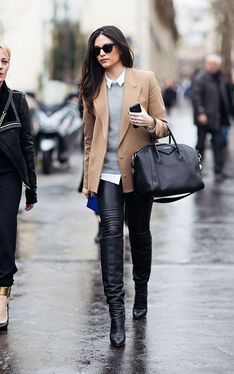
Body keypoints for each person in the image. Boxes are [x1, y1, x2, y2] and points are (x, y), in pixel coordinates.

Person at [80, 25, 168, 347]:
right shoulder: (91, 87)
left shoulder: (145, 79)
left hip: (139, 173)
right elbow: (89, 138)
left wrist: (150, 123)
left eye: (106, 48)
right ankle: (116, 315)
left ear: (120, 47)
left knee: (140, 234)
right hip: (106, 176)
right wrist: (89, 180)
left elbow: (164, 126)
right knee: (110, 236)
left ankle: (140, 290)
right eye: (96, 50)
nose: (101, 54)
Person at [0, 43, 37, 331]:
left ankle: (2, 296)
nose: (0, 66)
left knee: (5, 233)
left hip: (8, 177)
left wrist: (31, 188)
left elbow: (27, 145)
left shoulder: (17, 100)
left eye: (4, 61)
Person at [191, 54, 231, 181]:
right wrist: (201, 113)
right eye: (210, 64)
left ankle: (219, 170)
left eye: (215, 64)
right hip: (204, 118)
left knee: (219, 143)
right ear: (206, 64)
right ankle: (197, 169)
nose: (212, 67)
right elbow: (196, 97)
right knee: (201, 144)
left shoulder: (220, 78)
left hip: (217, 118)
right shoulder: (201, 78)